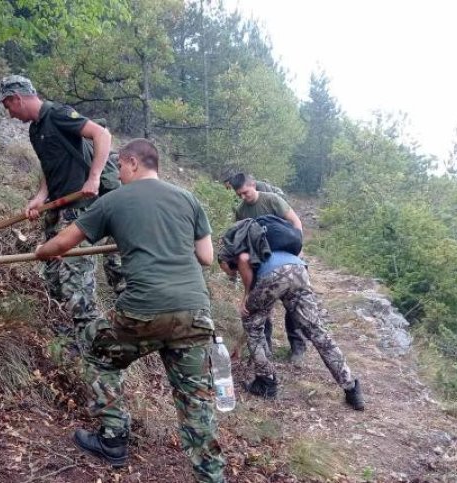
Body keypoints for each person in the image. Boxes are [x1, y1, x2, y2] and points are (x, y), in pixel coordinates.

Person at [36, 139, 226, 482]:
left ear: (133, 163)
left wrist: (41, 251)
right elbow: (207, 257)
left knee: (99, 353)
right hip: (195, 313)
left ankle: (113, 439)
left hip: (143, 312)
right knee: (197, 403)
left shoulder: (114, 201)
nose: (118, 175)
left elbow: (62, 243)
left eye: (121, 167)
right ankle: (211, 477)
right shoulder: (188, 199)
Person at [0, 75, 123, 332]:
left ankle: (92, 346)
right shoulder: (35, 129)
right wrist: (40, 196)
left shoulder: (58, 114)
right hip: (56, 209)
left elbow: (102, 134)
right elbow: (48, 164)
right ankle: (64, 341)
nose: (9, 114)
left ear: (17, 98)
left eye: (8, 106)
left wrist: (94, 177)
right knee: (55, 280)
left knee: (76, 285)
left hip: (79, 211)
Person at [219, 242, 365, 410]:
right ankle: (351, 387)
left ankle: (266, 382)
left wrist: (246, 294)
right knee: (317, 331)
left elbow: (255, 313)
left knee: (252, 323)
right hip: (298, 269)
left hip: (274, 275)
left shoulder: (241, 255)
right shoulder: (266, 245)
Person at [229, 173, 307, 363]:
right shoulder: (241, 211)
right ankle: (266, 347)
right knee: (262, 304)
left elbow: (295, 222)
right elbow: (242, 238)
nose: (243, 197)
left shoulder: (272, 200)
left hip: (287, 253)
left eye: (245, 192)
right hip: (261, 260)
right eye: (239, 195)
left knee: (293, 303)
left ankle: (297, 347)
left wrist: (298, 249)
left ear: (253, 185)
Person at [222, 171, 287, 199]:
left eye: (228, 186)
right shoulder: (238, 189)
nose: (228, 188)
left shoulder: (258, 185)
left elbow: (266, 198)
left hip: (278, 194)